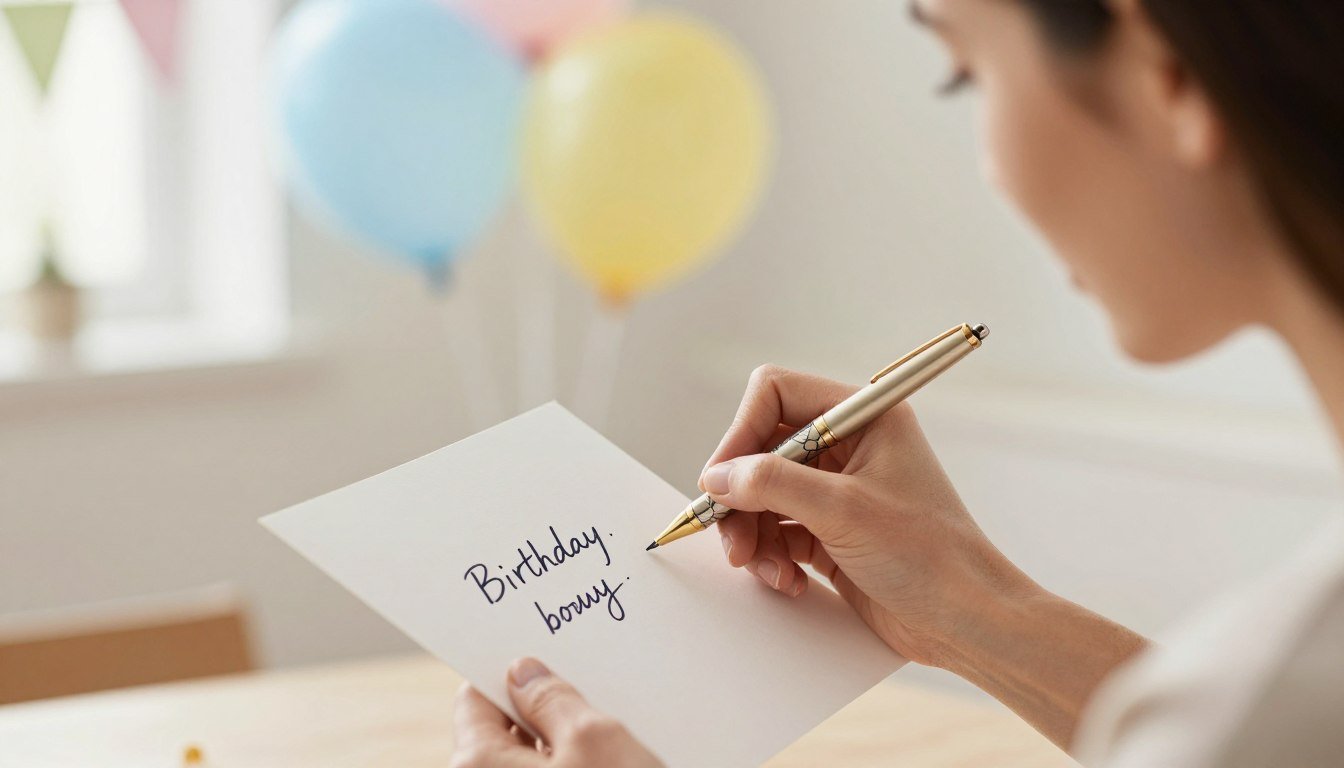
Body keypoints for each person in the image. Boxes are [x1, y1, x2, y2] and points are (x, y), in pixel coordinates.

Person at [449, 0, 1344, 764]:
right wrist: (971, 603)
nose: (989, 170)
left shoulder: (1269, 698)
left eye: (969, 73)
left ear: (1164, 69)